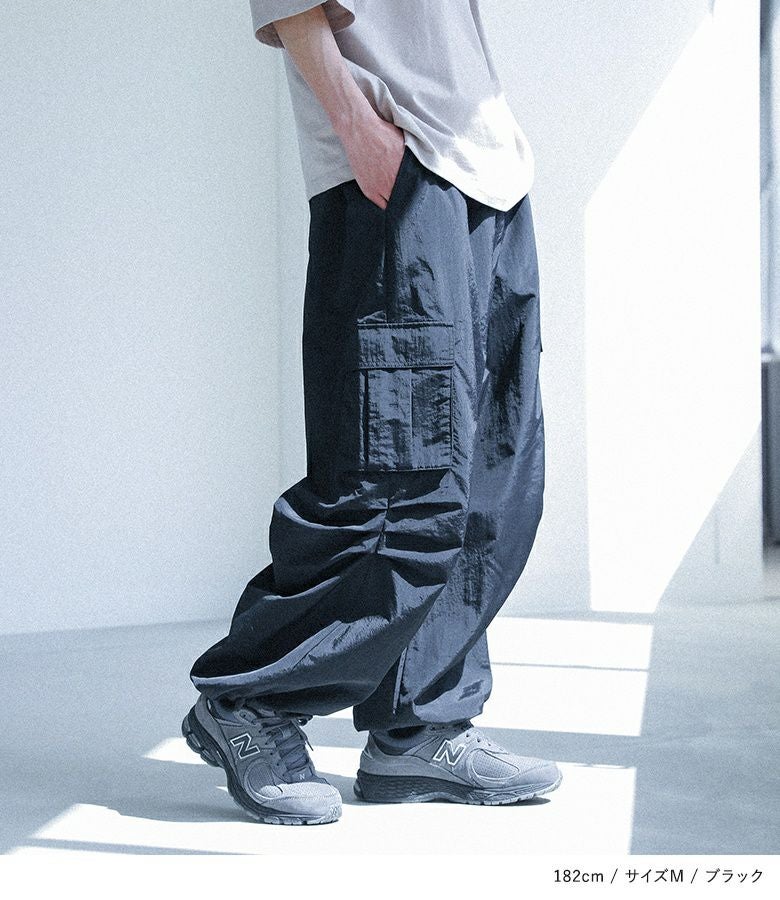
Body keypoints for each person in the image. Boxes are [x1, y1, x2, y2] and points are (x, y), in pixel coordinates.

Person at [182, 0, 561, 826]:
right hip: (399, 154)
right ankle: (250, 698)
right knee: (397, 478)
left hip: (488, 164)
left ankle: (418, 728)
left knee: (494, 475)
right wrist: (356, 124)